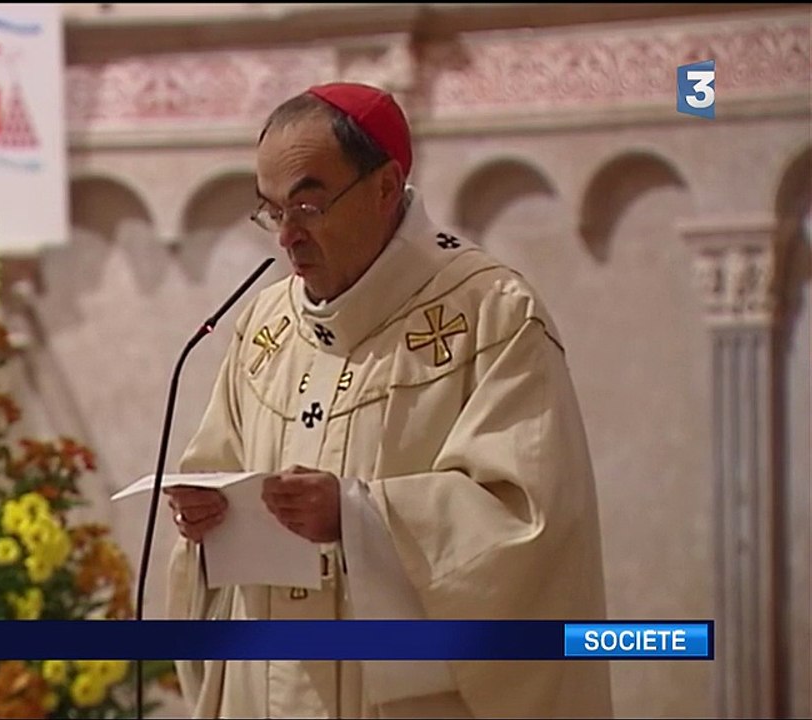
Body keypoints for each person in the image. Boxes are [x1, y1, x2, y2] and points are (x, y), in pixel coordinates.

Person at [163, 82, 613, 719]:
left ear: (384, 187)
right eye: (270, 211)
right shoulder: (265, 325)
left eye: (309, 206)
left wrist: (356, 517)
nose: (286, 236)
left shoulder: (491, 313)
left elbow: (528, 524)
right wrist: (204, 523)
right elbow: (218, 471)